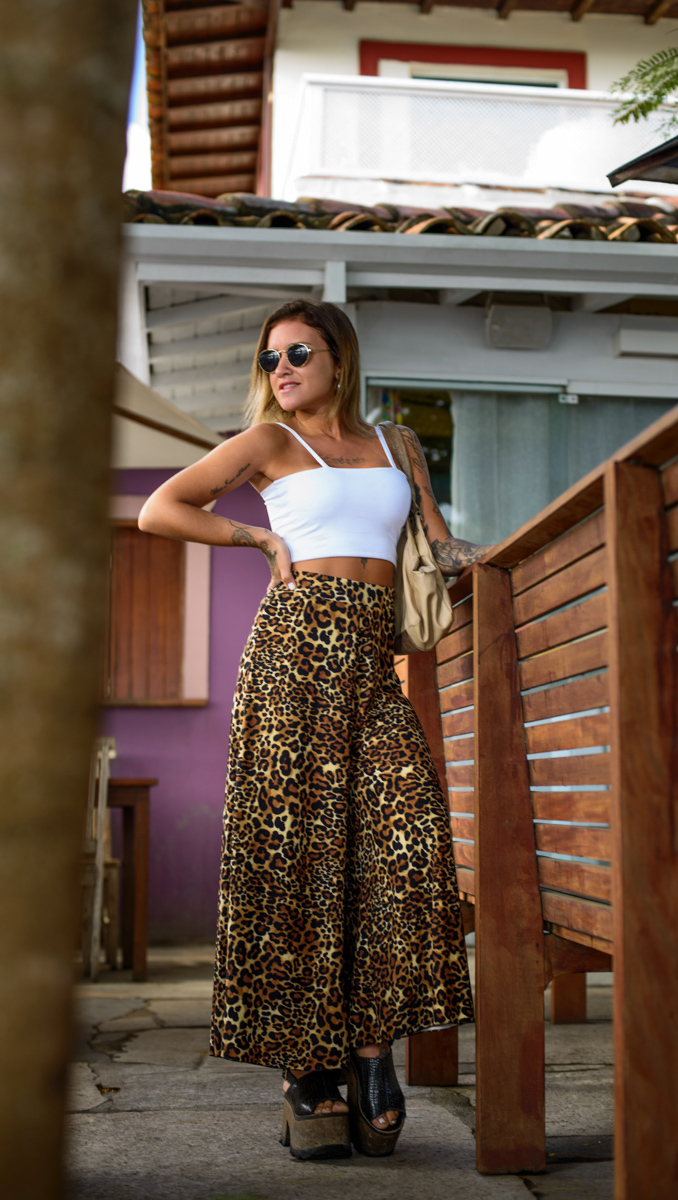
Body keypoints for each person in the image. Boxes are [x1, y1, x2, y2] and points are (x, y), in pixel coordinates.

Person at [138, 299, 491, 1160]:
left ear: (339, 357)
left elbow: (437, 546)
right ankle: (310, 1072)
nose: (282, 368)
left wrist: (491, 560)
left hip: (373, 662)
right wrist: (254, 538)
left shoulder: (396, 444)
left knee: (404, 847)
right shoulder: (265, 444)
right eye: (269, 359)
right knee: (294, 859)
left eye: (297, 352)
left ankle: (372, 1050)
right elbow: (161, 508)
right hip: (294, 651)